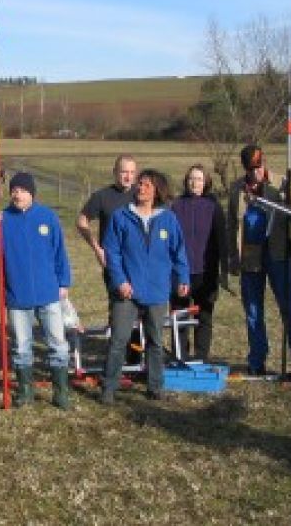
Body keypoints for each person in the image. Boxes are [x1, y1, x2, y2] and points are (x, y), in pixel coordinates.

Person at [0, 172, 72, 409]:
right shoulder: (4, 219)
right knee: (21, 346)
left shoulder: (47, 217)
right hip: (17, 297)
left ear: (32, 193)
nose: (17, 194)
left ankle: (61, 391)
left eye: (22, 190)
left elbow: (60, 252)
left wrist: (64, 283)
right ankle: (25, 390)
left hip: (48, 294)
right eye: (14, 190)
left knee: (58, 344)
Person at [227, 144, 291, 385]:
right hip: (250, 256)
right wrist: (232, 258)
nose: (255, 172)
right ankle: (257, 361)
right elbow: (231, 227)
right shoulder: (237, 189)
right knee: (254, 311)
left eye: (258, 166)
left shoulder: (281, 183)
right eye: (250, 168)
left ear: (264, 163)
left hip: (278, 254)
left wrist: (286, 203)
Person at [100, 169, 190, 404]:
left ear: (157, 190)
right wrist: (120, 281)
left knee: (155, 341)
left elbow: (178, 251)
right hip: (127, 291)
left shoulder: (168, 220)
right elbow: (112, 252)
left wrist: (183, 278)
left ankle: (155, 386)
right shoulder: (121, 217)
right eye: (140, 184)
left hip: (157, 290)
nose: (141, 188)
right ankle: (109, 387)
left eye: (147, 185)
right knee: (119, 339)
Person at [170, 163, 228, 360]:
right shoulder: (176, 206)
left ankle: (201, 356)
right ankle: (180, 356)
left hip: (206, 272)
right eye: (191, 179)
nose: (195, 182)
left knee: (204, 316)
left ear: (206, 183)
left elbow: (222, 241)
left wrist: (223, 270)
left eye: (199, 179)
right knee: (180, 315)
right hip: (180, 273)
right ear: (186, 182)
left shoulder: (214, 208)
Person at [76, 154, 137, 296]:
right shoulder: (102, 196)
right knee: (120, 308)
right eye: (124, 172)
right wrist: (97, 249)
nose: (128, 177)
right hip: (114, 263)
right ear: (115, 172)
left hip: (138, 261)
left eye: (132, 173)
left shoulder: (141, 195)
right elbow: (81, 221)